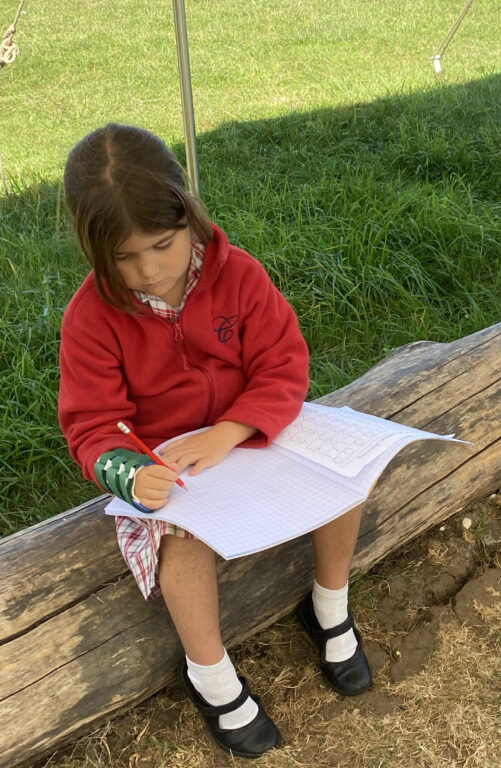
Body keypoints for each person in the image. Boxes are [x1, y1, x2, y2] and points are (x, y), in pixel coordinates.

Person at [58, 123, 370, 759]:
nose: (148, 271)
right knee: (183, 550)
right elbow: (91, 425)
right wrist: (128, 474)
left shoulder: (240, 277)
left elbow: (284, 366)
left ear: (188, 214)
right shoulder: (90, 317)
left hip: (251, 434)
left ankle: (329, 605)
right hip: (170, 468)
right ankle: (210, 675)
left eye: (162, 245)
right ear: (95, 251)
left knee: (344, 479)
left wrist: (232, 430)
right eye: (123, 258)